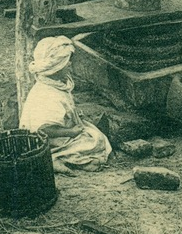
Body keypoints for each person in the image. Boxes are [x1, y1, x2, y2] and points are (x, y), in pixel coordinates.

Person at [19, 36, 112, 174]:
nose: (69, 64)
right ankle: (57, 159)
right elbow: (43, 130)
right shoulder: (48, 94)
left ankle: (68, 159)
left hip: (55, 131)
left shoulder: (54, 83)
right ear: (57, 67)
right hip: (45, 139)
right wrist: (70, 132)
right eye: (67, 62)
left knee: (95, 134)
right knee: (94, 141)